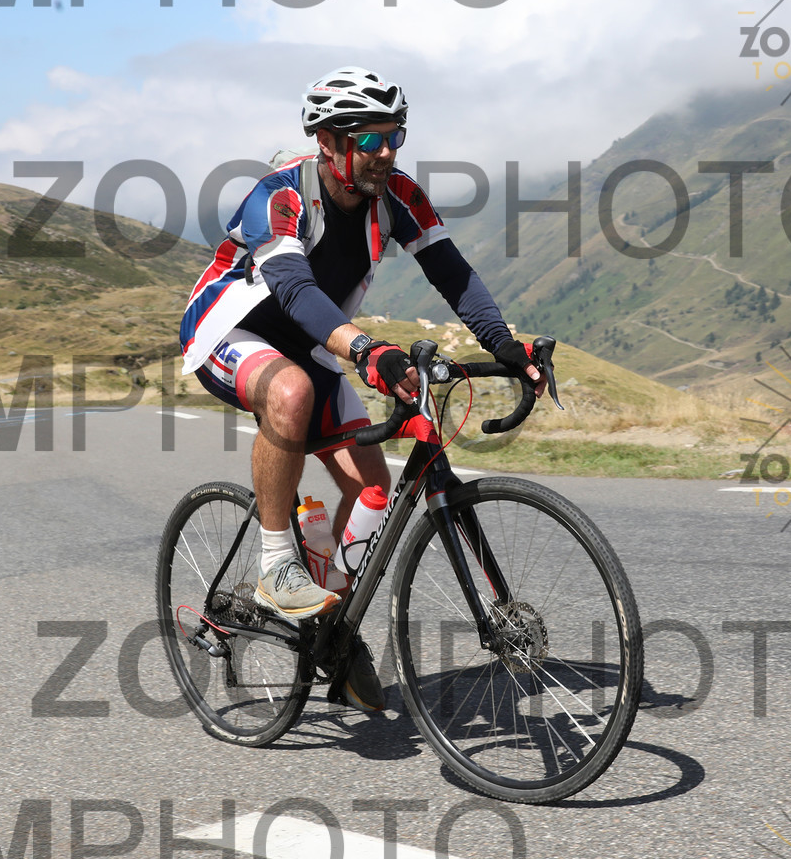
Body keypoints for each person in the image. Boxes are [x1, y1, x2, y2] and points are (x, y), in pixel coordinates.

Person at [179, 66, 543, 711]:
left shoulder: (398, 194)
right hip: (232, 331)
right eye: (370, 140)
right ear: (328, 142)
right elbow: (296, 291)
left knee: (374, 489)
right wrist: (369, 350)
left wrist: (504, 345)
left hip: (312, 343)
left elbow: (452, 273)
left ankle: (328, 626)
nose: (387, 152)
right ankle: (276, 563)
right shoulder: (279, 197)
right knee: (291, 394)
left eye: (394, 136)